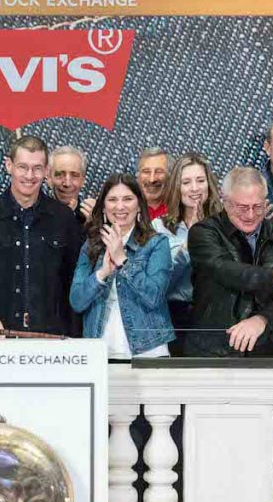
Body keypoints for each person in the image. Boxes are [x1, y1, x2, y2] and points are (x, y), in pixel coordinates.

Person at [0, 135, 83, 336]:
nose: (29, 175)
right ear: (9, 166)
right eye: (23, 167)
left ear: (47, 171)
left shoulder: (64, 219)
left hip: (52, 339)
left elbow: (75, 284)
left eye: (37, 168)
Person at [186, 166, 273, 357]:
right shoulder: (203, 232)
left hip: (265, 352)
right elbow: (223, 269)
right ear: (225, 202)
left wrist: (263, 319)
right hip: (211, 351)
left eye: (257, 207)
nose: (250, 215)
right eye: (242, 207)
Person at [69, 174, 175, 359]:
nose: (120, 206)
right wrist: (101, 274)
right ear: (103, 207)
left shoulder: (157, 243)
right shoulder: (91, 245)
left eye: (127, 199)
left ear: (139, 205)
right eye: (112, 200)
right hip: (100, 351)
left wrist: (123, 261)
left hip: (148, 350)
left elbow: (154, 297)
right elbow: (77, 301)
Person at [152, 153, 224, 347]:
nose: (194, 188)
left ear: (209, 184)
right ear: (176, 187)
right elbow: (161, 282)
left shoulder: (225, 224)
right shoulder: (160, 227)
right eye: (186, 182)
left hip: (217, 316)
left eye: (200, 180)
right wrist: (189, 244)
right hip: (174, 317)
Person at [45, 145, 95, 224]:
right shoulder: (34, 216)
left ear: (83, 180)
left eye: (74, 175)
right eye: (60, 175)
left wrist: (94, 225)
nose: (67, 183)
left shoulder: (90, 218)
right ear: (49, 178)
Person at [136, 147, 173, 220]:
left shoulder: (181, 209)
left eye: (159, 171)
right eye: (146, 171)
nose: (152, 179)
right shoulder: (126, 209)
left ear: (170, 176)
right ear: (138, 177)